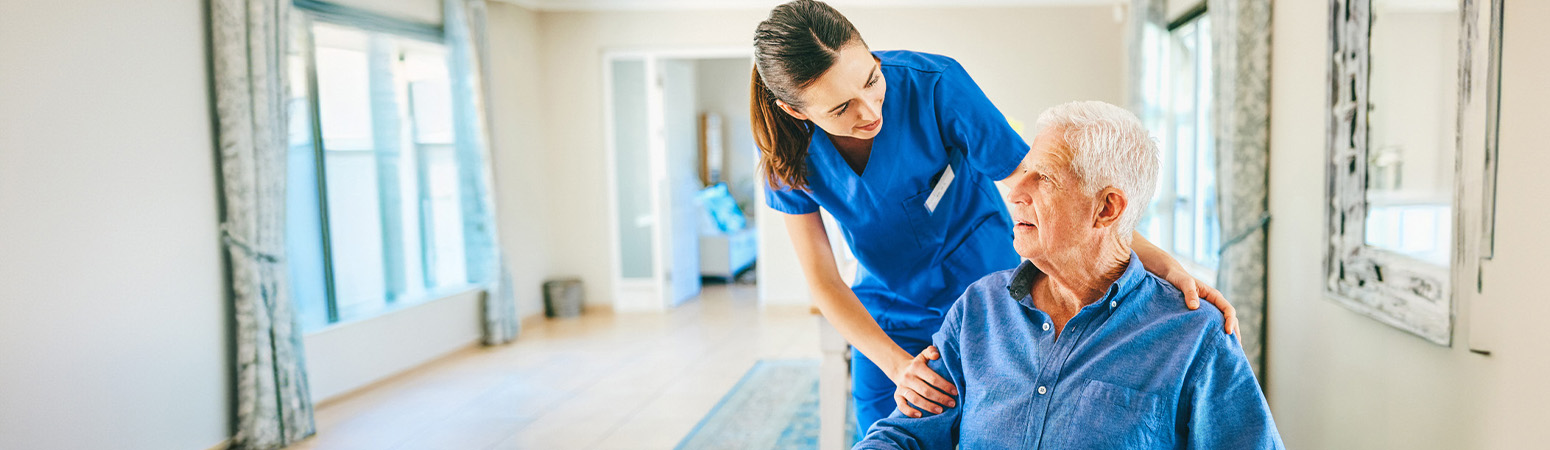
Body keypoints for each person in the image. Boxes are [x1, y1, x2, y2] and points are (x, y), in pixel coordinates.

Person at [749, 0, 1240, 436]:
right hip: (888, 314)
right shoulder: (785, 154)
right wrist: (899, 366)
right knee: (893, 431)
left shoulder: (937, 87)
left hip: (988, 304)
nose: (870, 108)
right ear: (795, 111)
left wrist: (1159, 261)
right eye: (841, 107)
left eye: (872, 78)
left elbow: (1044, 192)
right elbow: (823, 280)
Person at [854, 101, 1282, 450]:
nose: (1015, 191)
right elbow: (906, 435)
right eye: (1025, 172)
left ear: (1107, 209)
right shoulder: (978, 309)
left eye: (1045, 180)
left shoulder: (1195, 335)